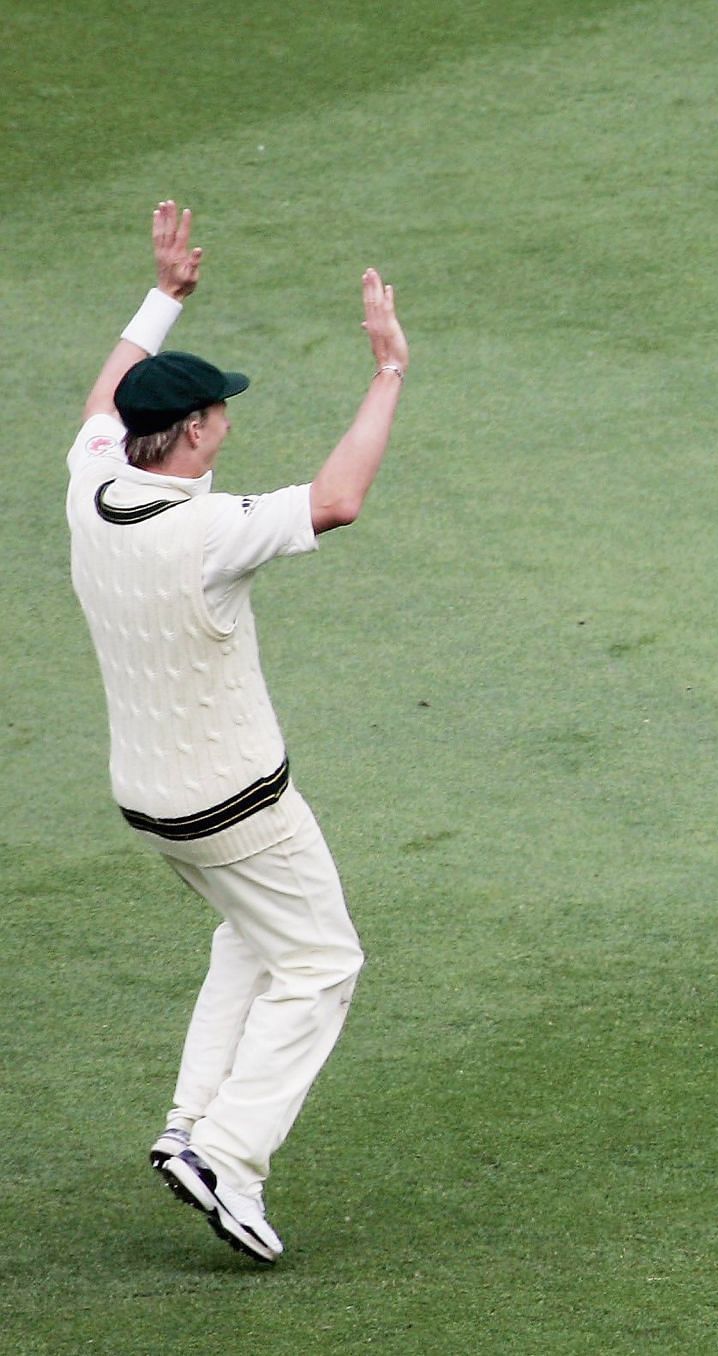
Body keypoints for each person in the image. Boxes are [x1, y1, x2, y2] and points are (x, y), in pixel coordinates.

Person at [66, 200, 409, 1260]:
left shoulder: (91, 481)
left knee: (251, 939)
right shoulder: (209, 529)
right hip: (239, 806)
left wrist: (161, 299)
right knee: (322, 963)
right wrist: (388, 370)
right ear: (202, 430)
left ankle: (190, 1128)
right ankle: (229, 1155)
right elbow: (339, 500)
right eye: (221, 415)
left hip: (152, 806)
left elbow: (102, 395)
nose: (228, 425)